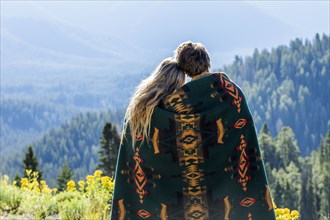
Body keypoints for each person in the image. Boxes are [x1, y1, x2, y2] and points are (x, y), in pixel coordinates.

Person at [111, 42, 276, 220]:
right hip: (222, 205)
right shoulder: (231, 96)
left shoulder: (164, 108)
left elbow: (144, 152)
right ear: (208, 62)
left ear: (185, 70)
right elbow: (244, 144)